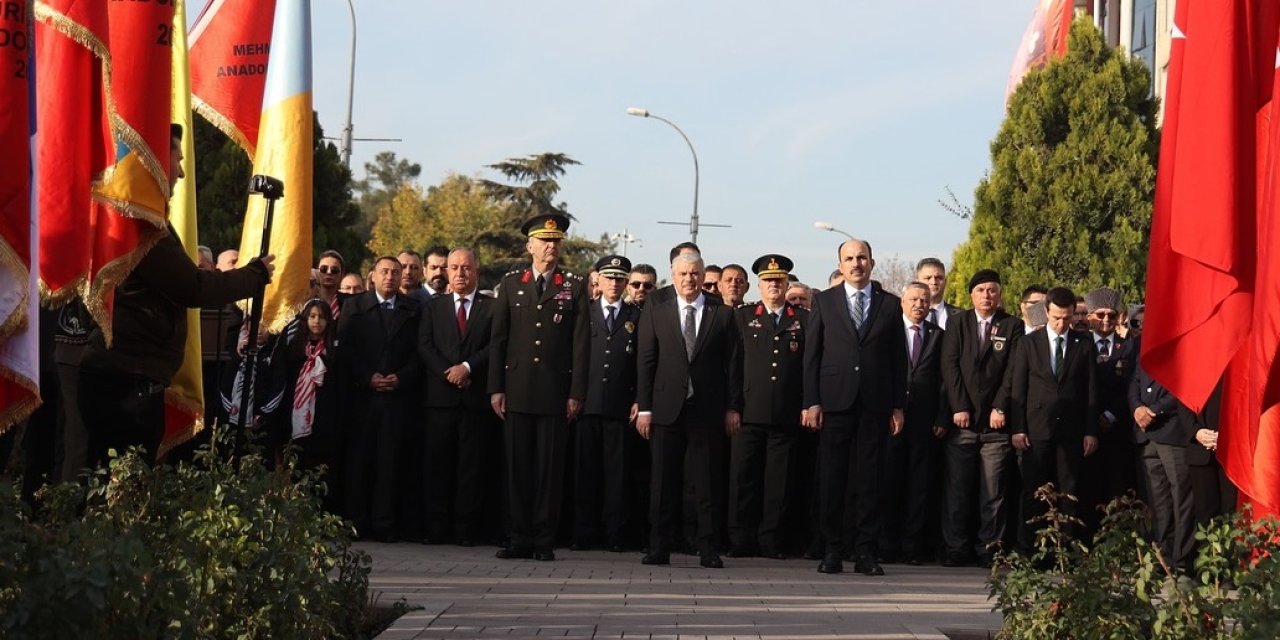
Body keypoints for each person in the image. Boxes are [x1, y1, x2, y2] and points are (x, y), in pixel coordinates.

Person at [77, 123, 274, 466]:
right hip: (125, 381)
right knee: (123, 488)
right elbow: (192, 287)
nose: (181, 170)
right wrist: (253, 276)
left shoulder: (139, 217)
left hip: (122, 375)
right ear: (152, 157)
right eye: (176, 157)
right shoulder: (142, 224)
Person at [488, 213, 590, 561]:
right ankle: (519, 537)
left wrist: (576, 392)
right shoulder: (512, 283)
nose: (551, 246)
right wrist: (495, 388)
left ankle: (544, 540)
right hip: (517, 388)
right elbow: (499, 340)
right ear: (529, 245)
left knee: (549, 469)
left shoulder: (573, 285)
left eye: (556, 241)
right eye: (544, 241)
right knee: (518, 467)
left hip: (554, 390)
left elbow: (580, 344)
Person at [803, 238, 906, 576]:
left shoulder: (890, 305)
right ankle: (832, 550)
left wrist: (897, 405)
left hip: (875, 403)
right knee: (832, 478)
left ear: (872, 263)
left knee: (870, 480)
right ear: (840, 263)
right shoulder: (825, 301)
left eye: (862, 258)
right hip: (835, 401)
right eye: (849, 258)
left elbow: (897, 359)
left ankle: (865, 552)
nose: (856, 264)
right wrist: (812, 401)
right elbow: (812, 355)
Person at [636, 251, 743, 568]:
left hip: (707, 409)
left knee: (707, 482)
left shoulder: (721, 314)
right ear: (673, 275)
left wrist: (733, 407)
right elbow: (646, 363)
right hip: (667, 408)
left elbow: (734, 366)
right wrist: (644, 408)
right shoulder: (657, 312)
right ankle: (659, 546)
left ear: (702, 276)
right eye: (682, 274)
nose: (689, 279)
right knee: (663, 482)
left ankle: (708, 547)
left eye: (695, 274)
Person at [939, 269, 1024, 567]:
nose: (987, 295)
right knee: (958, 490)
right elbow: (949, 367)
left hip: (996, 426)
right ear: (971, 294)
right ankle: (955, 549)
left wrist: (1000, 407)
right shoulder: (957, 322)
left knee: (993, 492)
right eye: (981, 290)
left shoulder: (1012, 325)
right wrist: (959, 406)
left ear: (1000, 294)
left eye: (992, 290)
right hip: (962, 422)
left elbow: (1013, 371)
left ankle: (990, 549)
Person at [727, 255, 807, 560]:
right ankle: (741, 539)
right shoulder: (744, 317)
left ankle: (772, 540)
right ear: (758, 286)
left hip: (785, 413)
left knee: (779, 482)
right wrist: (733, 406)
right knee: (743, 479)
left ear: (787, 284)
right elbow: (733, 366)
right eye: (768, 281)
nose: (774, 285)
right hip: (749, 411)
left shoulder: (802, 318)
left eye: (779, 280)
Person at [339, 256, 421, 542]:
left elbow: (418, 353)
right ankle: (355, 522)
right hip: (362, 398)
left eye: (396, 273)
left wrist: (401, 377)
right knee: (359, 462)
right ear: (371, 275)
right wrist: (367, 376)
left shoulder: (413, 309)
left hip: (396, 399)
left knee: (390, 463)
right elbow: (345, 349)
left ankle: (384, 523)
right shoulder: (355, 306)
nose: (390, 277)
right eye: (384, 271)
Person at [1009, 286, 1098, 548]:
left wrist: (1091, 430)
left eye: (1067, 318)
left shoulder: (1083, 344)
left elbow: (1091, 391)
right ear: (1046, 312)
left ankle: (1064, 551)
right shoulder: (1028, 343)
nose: (1062, 323)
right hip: (1036, 431)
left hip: (1071, 431)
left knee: (1068, 493)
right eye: (1057, 317)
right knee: (1033, 492)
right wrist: (1018, 428)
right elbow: (1019, 388)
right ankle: (1031, 550)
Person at [418, 247, 496, 546]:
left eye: (466, 268)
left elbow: (494, 346)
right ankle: (436, 529)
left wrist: (466, 367)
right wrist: (447, 373)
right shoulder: (433, 307)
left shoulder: (490, 308)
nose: (460, 273)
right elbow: (425, 345)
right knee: (437, 466)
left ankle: (466, 531)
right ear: (446, 271)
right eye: (454, 268)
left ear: (477, 271)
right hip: (440, 400)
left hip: (474, 399)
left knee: (470, 469)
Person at [573, 255, 642, 552]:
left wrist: (640, 398)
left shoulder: (636, 316)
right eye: (609, 277)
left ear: (626, 283)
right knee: (586, 473)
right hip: (587, 406)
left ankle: (615, 535)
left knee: (617, 476)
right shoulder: (584, 313)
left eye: (619, 278)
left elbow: (643, 361)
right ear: (597, 280)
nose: (614, 283)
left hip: (620, 406)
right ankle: (584, 533)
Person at [879, 281, 949, 565]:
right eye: (914, 299)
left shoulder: (939, 335)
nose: (919, 304)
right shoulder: (888, 332)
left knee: (918, 486)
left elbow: (945, 380)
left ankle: (912, 547)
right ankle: (886, 544)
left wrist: (943, 415)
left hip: (924, 421)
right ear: (902, 302)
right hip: (891, 418)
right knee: (888, 482)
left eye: (924, 300)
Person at [1080, 287, 1138, 534]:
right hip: (1085, 429)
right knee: (1086, 488)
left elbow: (1132, 386)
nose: (1105, 320)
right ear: (1090, 315)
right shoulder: (1078, 344)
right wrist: (1092, 420)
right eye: (1100, 315)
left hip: (1117, 427)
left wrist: (1111, 415)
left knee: (1117, 486)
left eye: (1111, 315)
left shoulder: (1130, 347)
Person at [1129, 357, 1195, 570]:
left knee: (1180, 499)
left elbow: (1181, 387)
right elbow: (1134, 383)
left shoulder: (1180, 353)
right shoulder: (1145, 351)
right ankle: (1163, 557)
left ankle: (1182, 558)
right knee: (1158, 501)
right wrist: (1137, 408)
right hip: (1146, 435)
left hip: (1172, 433)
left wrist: (1154, 410)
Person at [280, 298, 345, 511]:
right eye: (313, 316)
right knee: (298, 463)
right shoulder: (294, 349)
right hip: (297, 416)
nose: (317, 322)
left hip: (325, 417)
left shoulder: (334, 351)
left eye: (322, 317)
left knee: (323, 467)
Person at [915, 258, 961, 330]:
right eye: (928, 278)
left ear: (945, 281)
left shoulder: (960, 316)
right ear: (917, 282)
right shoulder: (904, 315)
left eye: (938, 278)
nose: (933, 282)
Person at [315, 249, 348, 320]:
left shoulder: (349, 304)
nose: (329, 272)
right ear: (317, 271)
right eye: (323, 269)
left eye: (334, 270)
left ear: (342, 275)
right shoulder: (308, 301)